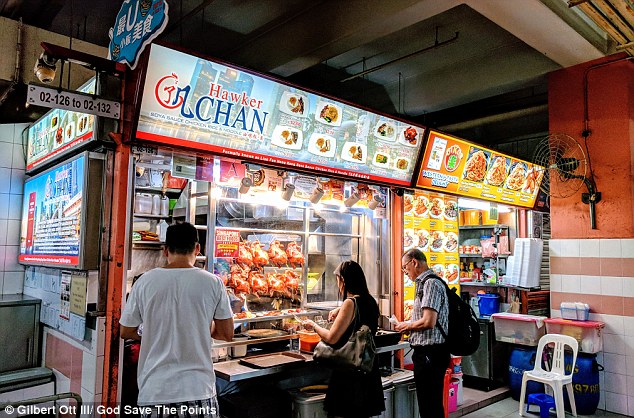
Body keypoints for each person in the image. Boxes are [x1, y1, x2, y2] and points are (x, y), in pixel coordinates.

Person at [120, 222, 234, 418]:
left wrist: (150, 330)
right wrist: (202, 324)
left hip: (155, 392)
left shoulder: (144, 281)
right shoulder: (213, 282)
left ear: (165, 251)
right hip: (198, 390)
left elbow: (125, 331)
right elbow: (226, 333)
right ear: (197, 249)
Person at [302, 260, 384, 418]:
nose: (338, 285)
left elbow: (332, 338)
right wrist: (340, 309)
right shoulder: (370, 301)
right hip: (367, 370)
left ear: (344, 281)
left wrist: (313, 326)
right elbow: (358, 311)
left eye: (338, 280)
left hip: (349, 374)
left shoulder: (350, 303)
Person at [394, 248, 450, 418]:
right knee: (428, 404)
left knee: (430, 406)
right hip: (428, 354)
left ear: (414, 262)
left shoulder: (431, 283)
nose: (405, 272)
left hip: (431, 354)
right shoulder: (424, 283)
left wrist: (407, 326)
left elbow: (428, 321)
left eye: (405, 268)